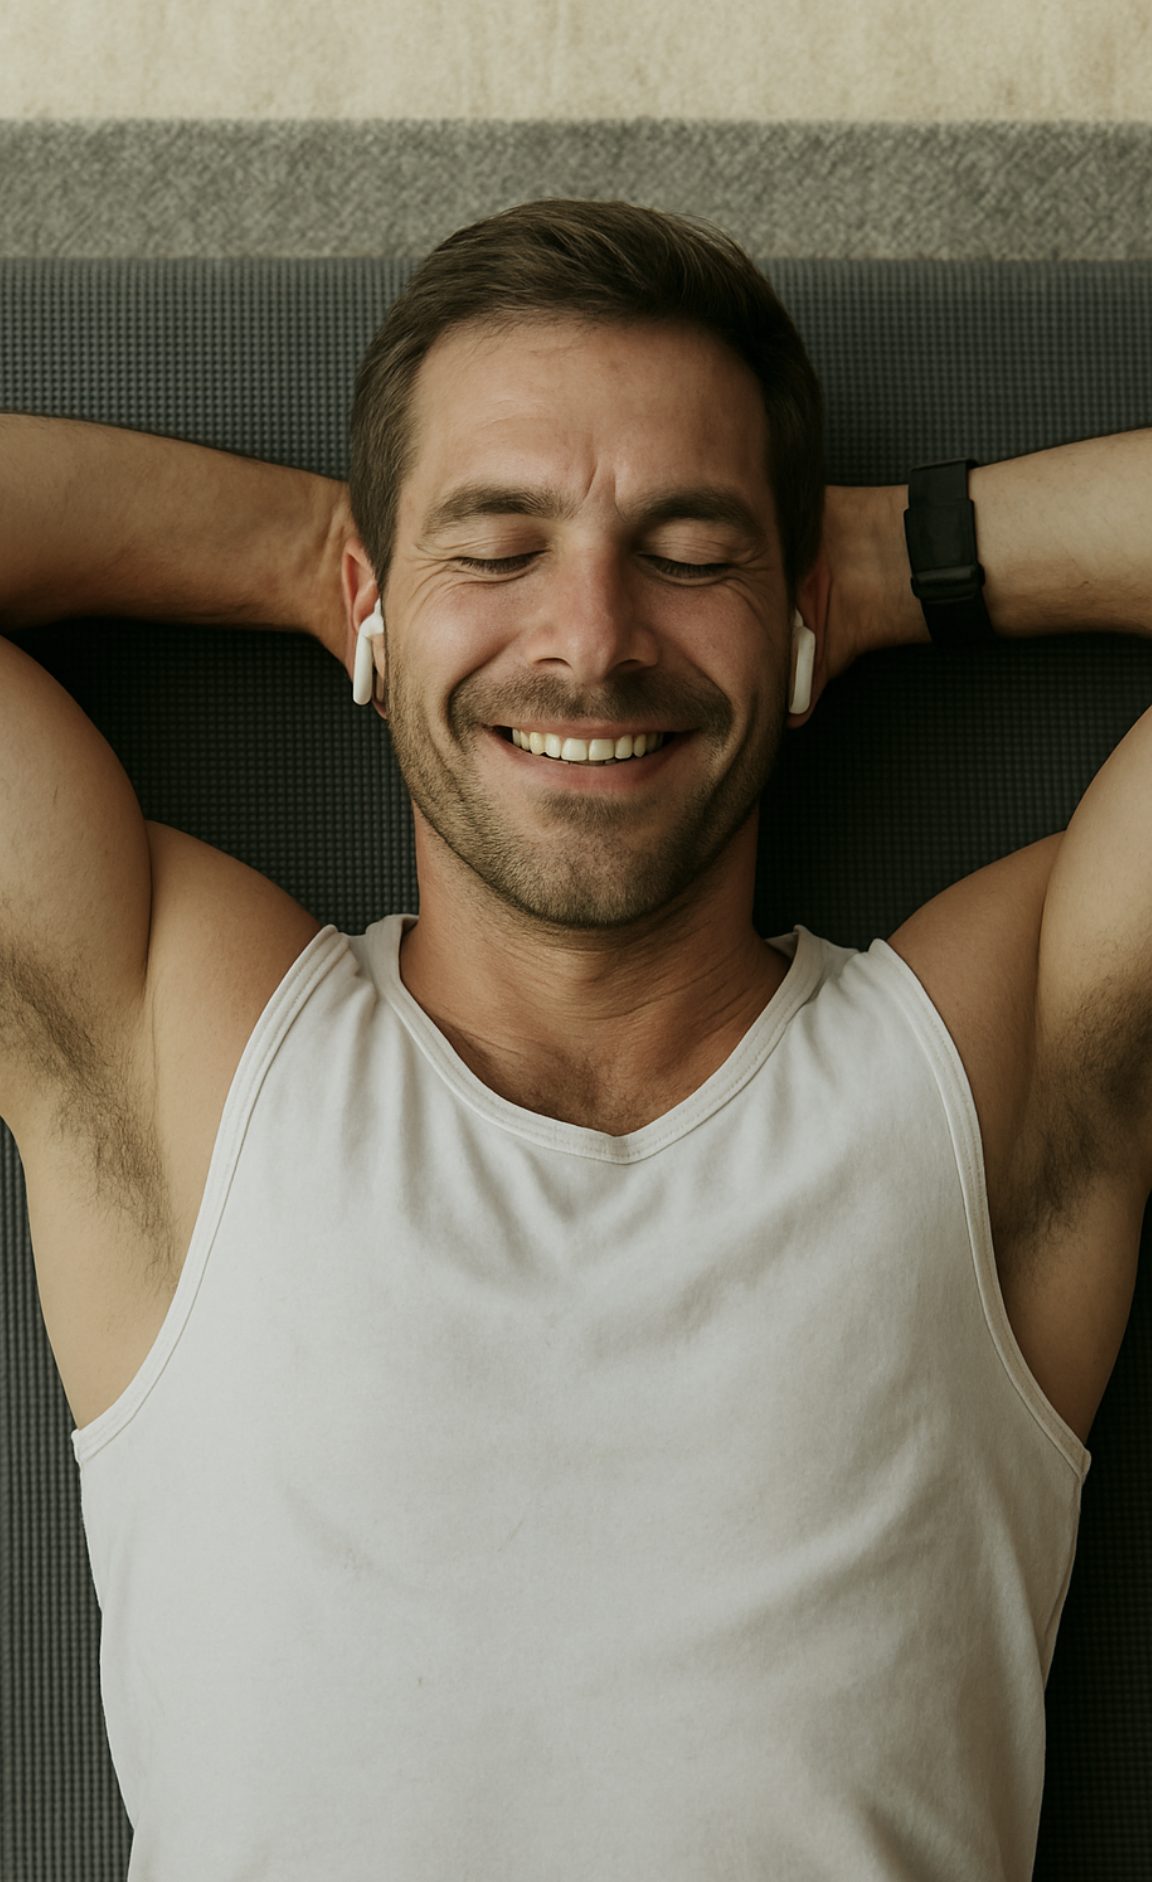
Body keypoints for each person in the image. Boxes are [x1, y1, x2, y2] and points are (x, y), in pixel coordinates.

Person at [1, 197, 1149, 1880]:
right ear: (374, 596)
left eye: (690, 554)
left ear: (795, 607)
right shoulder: (186, 1051)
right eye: (497, 546)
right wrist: (311, 562)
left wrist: (893, 568)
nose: (595, 642)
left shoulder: (988, 1070)